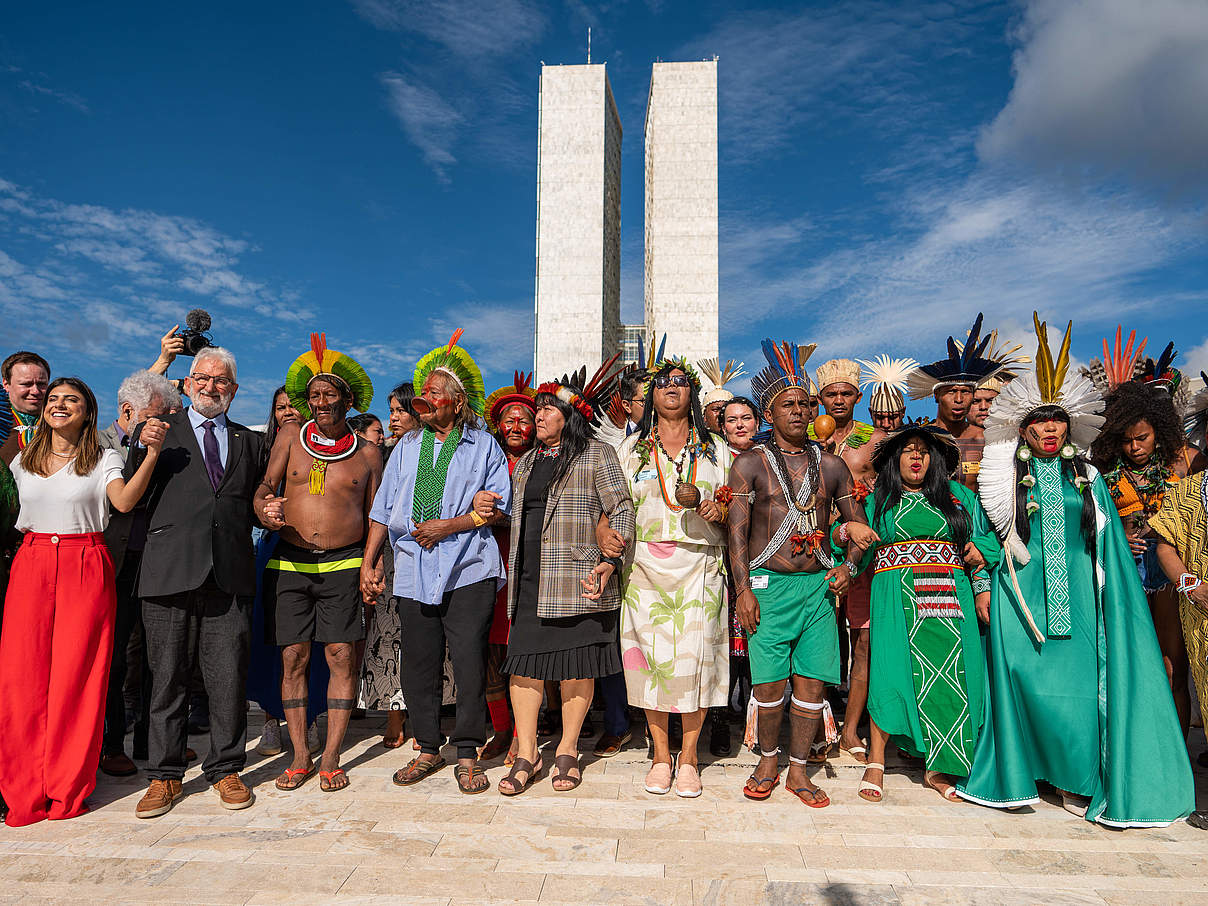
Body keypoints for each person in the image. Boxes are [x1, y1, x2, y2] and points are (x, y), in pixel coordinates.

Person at [959, 314, 1193, 826]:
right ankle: (1026, 774)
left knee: (1083, 690)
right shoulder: (1002, 476)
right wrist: (981, 587)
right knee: (1022, 683)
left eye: (1057, 419)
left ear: (1070, 425)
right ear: (1021, 425)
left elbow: (1106, 541)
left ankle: (1076, 777)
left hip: (1082, 598)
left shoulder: (1088, 476)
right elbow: (983, 536)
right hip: (1019, 596)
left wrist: (1113, 592)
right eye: (1040, 419)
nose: (1049, 427)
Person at [0, 377, 167, 826]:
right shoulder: (21, 458)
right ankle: (22, 789)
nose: (58, 405)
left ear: (87, 411)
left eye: (70, 400)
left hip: (85, 562)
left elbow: (126, 502)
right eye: (53, 399)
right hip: (31, 562)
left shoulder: (104, 456)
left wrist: (150, 455)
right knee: (22, 678)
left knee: (77, 677)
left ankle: (66, 787)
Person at [361, 331, 511, 795]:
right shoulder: (406, 447)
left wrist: (449, 525)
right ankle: (427, 746)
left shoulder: (484, 446)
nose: (423, 400)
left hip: (469, 568)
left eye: (433, 393)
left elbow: (498, 507)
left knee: (467, 661)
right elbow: (383, 510)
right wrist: (370, 563)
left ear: (457, 402)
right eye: (422, 393)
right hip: (411, 567)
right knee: (418, 662)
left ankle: (467, 752)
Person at [729, 339, 876, 809]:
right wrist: (743, 591)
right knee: (769, 686)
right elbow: (736, 534)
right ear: (769, 414)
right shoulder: (749, 462)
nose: (799, 411)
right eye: (788, 404)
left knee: (812, 684)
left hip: (817, 588)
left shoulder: (831, 465)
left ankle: (798, 771)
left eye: (806, 404)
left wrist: (850, 568)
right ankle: (767, 760)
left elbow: (856, 528)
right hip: (767, 589)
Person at [129, 346, 267, 818]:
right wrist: (139, 442)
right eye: (201, 378)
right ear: (186, 384)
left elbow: (254, 501)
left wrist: (268, 512)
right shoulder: (159, 431)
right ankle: (164, 776)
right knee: (166, 678)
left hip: (229, 574)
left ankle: (226, 768)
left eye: (221, 380)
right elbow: (132, 488)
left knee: (228, 678)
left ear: (234, 389)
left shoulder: (250, 442)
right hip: (169, 571)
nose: (211, 387)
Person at [498, 364, 635, 795]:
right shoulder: (525, 465)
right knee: (523, 669)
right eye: (536, 409)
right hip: (529, 578)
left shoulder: (597, 454)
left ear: (571, 414)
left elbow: (623, 509)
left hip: (580, 576)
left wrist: (610, 558)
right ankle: (527, 753)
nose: (537, 416)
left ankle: (568, 750)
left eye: (547, 409)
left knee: (577, 667)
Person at [255, 335, 381, 793]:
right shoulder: (290, 436)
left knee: (342, 654)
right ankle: (300, 755)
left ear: (348, 400)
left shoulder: (368, 453)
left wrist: (372, 565)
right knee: (293, 656)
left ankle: (330, 756)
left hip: (345, 565)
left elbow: (377, 517)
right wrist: (263, 509)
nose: (321, 402)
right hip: (289, 563)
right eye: (313, 395)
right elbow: (264, 490)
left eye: (330, 394)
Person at [856, 424, 1001, 804]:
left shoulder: (958, 498)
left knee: (952, 675)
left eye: (923, 451)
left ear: (934, 459)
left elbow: (985, 540)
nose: (916, 457)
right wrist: (844, 538)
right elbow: (855, 544)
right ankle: (875, 761)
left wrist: (983, 588)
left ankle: (940, 766)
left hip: (952, 597)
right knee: (889, 673)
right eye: (908, 451)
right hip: (894, 598)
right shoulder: (878, 500)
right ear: (895, 460)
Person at [617, 357, 732, 798]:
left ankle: (690, 757)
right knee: (651, 664)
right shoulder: (630, 451)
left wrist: (715, 509)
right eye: (661, 382)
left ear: (692, 393)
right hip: (644, 565)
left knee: (696, 660)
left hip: (701, 564)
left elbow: (737, 510)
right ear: (649, 395)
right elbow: (613, 506)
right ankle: (660, 756)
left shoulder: (716, 450)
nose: (670, 387)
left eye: (680, 381)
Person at [1091, 380, 1205, 739]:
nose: (1135, 447)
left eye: (1142, 437)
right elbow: (1091, 525)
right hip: (1126, 573)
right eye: (1126, 440)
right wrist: (1119, 536)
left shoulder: (1182, 468)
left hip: (1169, 572)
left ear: (1159, 431)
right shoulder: (1103, 477)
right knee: (1132, 667)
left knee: (1173, 669)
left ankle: (1178, 758)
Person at [98, 370, 181, 778]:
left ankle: (155, 740)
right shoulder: (99, 446)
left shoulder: (167, 444)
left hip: (160, 560)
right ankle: (112, 743)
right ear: (129, 412)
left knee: (157, 656)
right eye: (155, 416)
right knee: (114, 658)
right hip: (114, 562)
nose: (162, 423)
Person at [811, 358, 884, 765]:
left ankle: (852, 729)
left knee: (863, 641)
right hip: (813, 547)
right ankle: (819, 726)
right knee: (819, 642)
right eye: (830, 394)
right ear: (819, 398)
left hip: (859, 550)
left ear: (858, 397)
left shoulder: (876, 440)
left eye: (846, 394)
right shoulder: (802, 434)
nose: (838, 400)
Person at [248, 387, 326, 759]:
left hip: (314, 557)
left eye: (294, 406)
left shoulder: (322, 448)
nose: (288, 413)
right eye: (280, 408)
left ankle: (308, 717)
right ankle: (268, 720)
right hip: (271, 552)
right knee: (273, 640)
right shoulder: (260, 451)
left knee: (310, 643)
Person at [1150, 374, 1208, 830]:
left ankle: (1178, 767)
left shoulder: (1190, 466)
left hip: (1180, 592)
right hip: (1186, 599)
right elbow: (1164, 538)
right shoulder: (1189, 489)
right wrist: (1189, 583)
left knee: (1176, 672)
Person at [481, 372, 538, 760]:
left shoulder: (542, 461)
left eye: (524, 420)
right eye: (510, 420)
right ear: (498, 426)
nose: (516, 427)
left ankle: (522, 734)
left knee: (523, 651)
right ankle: (501, 729)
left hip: (528, 566)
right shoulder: (484, 458)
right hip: (484, 564)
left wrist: (505, 518)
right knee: (488, 653)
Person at [360, 382, 421, 748]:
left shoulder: (436, 451)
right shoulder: (382, 455)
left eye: (399, 411)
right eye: (392, 411)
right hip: (391, 555)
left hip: (427, 552)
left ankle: (423, 713)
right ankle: (394, 715)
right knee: (389, 634)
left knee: (425, 636)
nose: (393, 418)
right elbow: (378, 512)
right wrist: (376, 560)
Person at [709, 394, 763, 755]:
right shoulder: (713, 461)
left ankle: (755, 720)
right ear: (722, 426)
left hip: (765, 558)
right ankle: (719, 720)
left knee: (758, 641)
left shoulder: (770, 458)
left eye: (746, 418)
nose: (739, 424)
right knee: (725, 644)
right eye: (731, 419)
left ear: (758, 423)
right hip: (724, 559)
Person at [906, 315, 1004, 490]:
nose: (959, 400)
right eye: (951, 392)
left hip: (973, 516)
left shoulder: (985, 440)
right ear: (936, 395)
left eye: (965, 392)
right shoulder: (919, 439)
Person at [0, 351, 50, 461]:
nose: (35, 391)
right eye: (26, 384)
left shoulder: (66, 425)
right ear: (6, 384)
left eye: (41, 384)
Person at [859, 355, 917, 433]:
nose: (886, 425)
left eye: (893, 417)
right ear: (870, 413)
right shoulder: (861, 443)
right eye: (879, 417)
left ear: (903, 412)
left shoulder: (917, 441)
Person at [698, 358, 746, 434]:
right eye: (716, 409)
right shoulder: (696, 443)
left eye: (726, 409)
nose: (721, 414)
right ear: (705, 417)